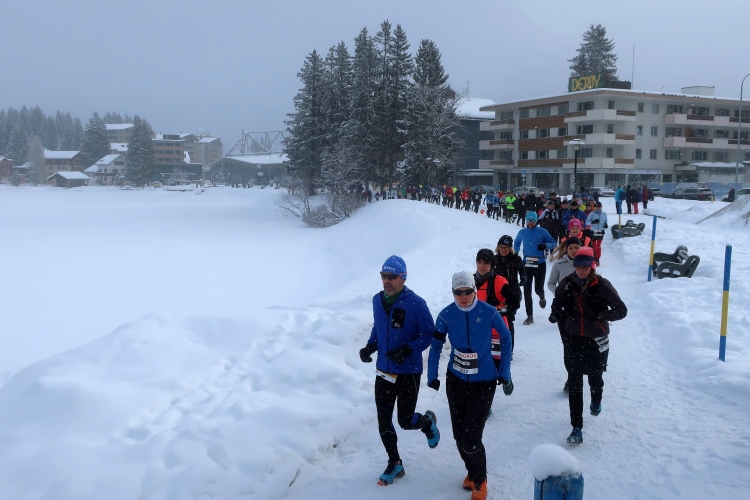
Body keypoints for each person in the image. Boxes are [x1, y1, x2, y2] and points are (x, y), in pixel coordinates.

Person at [427, 271, 513, 500]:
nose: (463, 296)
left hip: (484, 381)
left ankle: (480, 479)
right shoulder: (446, 315)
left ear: (474, 290)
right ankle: (472, 472)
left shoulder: (488, 311)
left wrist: (504, 370)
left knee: (471, 438)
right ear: (453, 292)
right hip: (456, 380)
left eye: (467, 291)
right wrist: (432, 375)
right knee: (458, 436)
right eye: (458, 292)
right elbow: (435, 345)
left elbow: (505, 337)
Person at [358, 255, 440, 485]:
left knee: (405, 420)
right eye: (384, 276)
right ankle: (395, 463)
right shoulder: (377, 300)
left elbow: (429, 333)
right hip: (384, 370)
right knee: (383, 420)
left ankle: (427, 423)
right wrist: (370, 346)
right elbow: (378, 326)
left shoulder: (416, 303)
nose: (387, 281)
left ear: (403, 278)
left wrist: (408, 349)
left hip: (408, 372)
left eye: (392, 277)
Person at [550, 247, 628, 444]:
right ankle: (576, 427)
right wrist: (557, 313)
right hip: (573, 338)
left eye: (585, 267)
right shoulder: (567, 283)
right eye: (578, 266)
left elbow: (621, 310)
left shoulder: (602, 285)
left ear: (592, 266)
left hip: (596, 339)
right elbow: (557, 301)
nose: (582, 270)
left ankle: (596, 399)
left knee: (595, 379)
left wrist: (601, 314)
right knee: (575, 383)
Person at [546, 237, 582, 394]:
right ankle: (572, 378)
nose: (574, 250)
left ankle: (580, 374)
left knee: (581, 345)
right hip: (564, 311)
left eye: (576, 247)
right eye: (570, 248)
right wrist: (561, 294)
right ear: (566, 249)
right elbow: (550, 283)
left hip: (582, 312)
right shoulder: (559, 264)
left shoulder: (586, 264)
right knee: (568, 346)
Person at [474, 249, 520, 367]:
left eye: (486, 263)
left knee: (496, 364)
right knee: (477, 364)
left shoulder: (498, 281)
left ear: (491, 264)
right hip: (477, 328)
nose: (482, 266)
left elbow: (515, 303)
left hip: (496, 330)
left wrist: (499, 312)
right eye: (479, 262)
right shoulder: (471, 280)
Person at [513, 212, 556, 325]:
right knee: (527, 290)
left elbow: (553, 243)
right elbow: (517, 242)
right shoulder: (522, 232)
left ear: (536, 221)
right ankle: (529, 316)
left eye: (533, 221)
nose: (530, 223)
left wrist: (545, 246)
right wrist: (515, 254)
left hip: (540, 263)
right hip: (526, 263)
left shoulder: (542, 231)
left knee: (538, 288)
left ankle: (541, 295)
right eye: (529, 220)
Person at [494, 235, 525, 350]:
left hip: (512, 294)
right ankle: (495, 347)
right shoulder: (494, 259)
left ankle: (509, 349)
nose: (503, 250)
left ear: (510, 248)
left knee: (509, 320)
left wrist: (523, 277)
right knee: (497, 320)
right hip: (498, 295)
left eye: (506, 247)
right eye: (501, 247)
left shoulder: (516, 259)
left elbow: (522, 270)